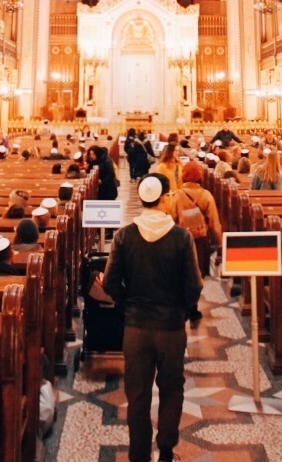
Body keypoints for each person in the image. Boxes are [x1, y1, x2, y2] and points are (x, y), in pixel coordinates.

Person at [101, 175, 202, 462]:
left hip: (136, 328)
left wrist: (126, 304)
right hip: (171, 328)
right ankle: (167, 450)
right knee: (172, 389)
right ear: (163, 199)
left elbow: (110, 283)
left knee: (138, 395)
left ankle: (138, 456)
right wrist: (181, 312)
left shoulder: (124, 235)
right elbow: (193, 286)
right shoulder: (181, 238)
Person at [176, 161, 222, 276]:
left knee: (182, 272)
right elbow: (214, 223)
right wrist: (219, 244)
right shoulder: (206, 195)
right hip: (201, 240)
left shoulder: (176, 195)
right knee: (199, 274)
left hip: (181, 239)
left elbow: (170, 219)